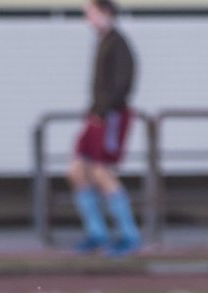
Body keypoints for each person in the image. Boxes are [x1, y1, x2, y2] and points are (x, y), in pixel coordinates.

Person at [68, 0, 141, 256]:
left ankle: (129, 234)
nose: (87, 18)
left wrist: (104, 110)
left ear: (105, 13)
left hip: (110, 115)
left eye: (91, 13)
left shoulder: (118, 43)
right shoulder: (103, 41)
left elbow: (122, 84)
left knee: (102, 171)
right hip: (96, 115)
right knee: (77, 169)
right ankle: (96, 232)